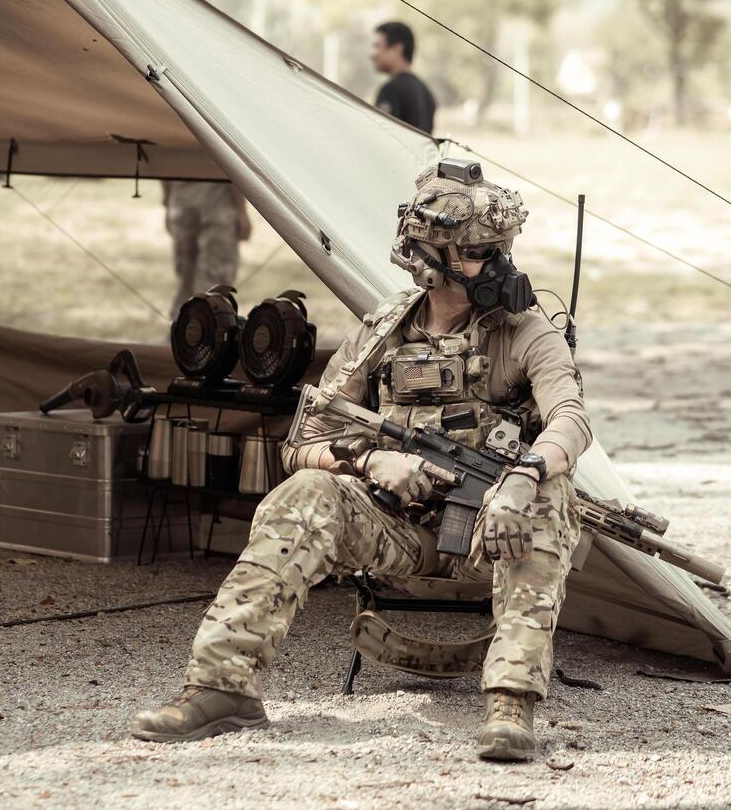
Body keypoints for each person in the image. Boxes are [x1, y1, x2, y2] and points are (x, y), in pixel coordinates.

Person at [131, 157, 591, 761]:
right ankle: (222, 688)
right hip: (397, 528)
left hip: (492, 532)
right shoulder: (381, 333)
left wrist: (523, 477)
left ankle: (510, 703)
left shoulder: (526, 332)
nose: (499, 266)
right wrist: (373, 464)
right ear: (430, 258)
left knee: (549, 496)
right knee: (300, 497)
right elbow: (303, 444)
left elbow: (571, 420)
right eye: (482, 251)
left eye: (501, 250)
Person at [163, 180, 252, 313]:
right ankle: (204, 329)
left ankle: (182, 328)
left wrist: (168, 201)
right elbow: (234, 168)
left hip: (182, 201)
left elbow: (162, 164)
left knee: (187, 282)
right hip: (217, 205)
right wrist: (241, 211)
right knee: (214, 285)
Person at [371, 21, 437, 133]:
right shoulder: (426, 92)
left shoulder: (391, 90)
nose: (372, 54)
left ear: (397, 49)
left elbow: (379, 136)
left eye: (378, 46)